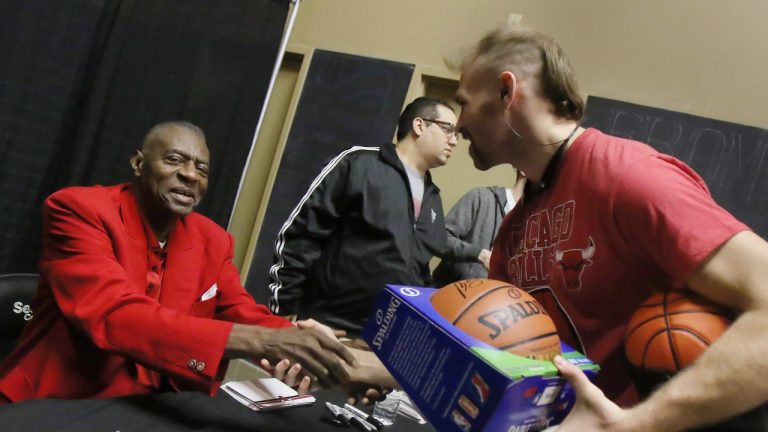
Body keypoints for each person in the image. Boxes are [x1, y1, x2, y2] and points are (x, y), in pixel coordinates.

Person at [452, 26, 768, 431]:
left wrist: (634, 424)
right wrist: (386, 367)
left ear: (505, 92)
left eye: (463, 103)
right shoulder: (515, 228)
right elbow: (496, 352)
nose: (458, 124)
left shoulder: (628, 176)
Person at [0, 121, 361, 403]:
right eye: (174, 160)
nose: (190, 174)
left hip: (152, 406)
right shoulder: (79, 210)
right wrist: (269, 342)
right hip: (60, 400)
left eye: (201, 168)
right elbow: (114, 314)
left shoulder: (212, 239)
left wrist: (311, 344)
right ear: (138, 163)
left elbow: (238, 310)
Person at [268, 97, 458, 336]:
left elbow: (419, 270)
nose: (454, 141)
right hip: (323, 327)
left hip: (381, 340)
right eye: (448, 129)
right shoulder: (360, 164)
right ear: (419, 125)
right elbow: (301, 234)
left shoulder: (433, 197)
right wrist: (284, 311)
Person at [432, 175, 525, 286]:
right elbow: (437, 239)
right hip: (448, 297)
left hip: (496, 300)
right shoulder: (481, 198)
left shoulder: (536, 225)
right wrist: (480, 254)